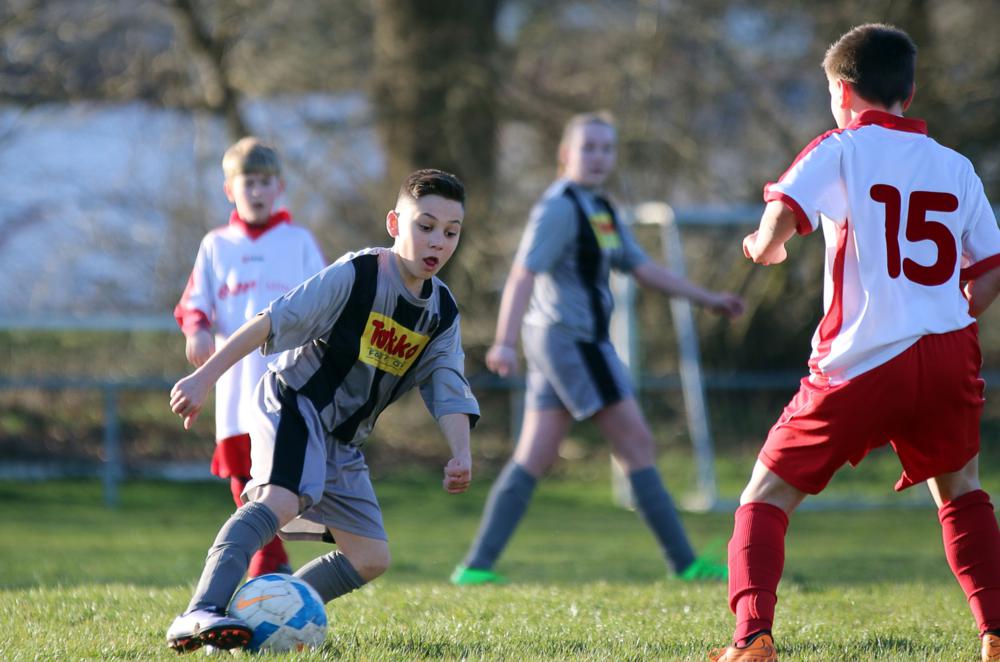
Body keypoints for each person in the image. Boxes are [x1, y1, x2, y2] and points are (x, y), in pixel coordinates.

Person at [709, 24, 1000, 662]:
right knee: (962, 491)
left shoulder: (840, 148)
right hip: (947, 352)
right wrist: (948, 314)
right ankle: (996, 631)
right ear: (909, 91)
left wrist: (764, 246)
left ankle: (752, 637)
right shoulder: (956, 166)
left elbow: (782, 212)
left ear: (841, 92)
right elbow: (990, 267)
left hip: (863, 358)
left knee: (764, 495)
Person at [165, 169, 480, 653]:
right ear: (394, 224)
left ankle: (265, 613)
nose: (438, 241)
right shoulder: (358, 274)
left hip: (343, 439)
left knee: (370, 556)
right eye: (426, 226)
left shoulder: (441, 312)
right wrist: (204, 377)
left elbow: (448, 385)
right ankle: (199, 610)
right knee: (279, 501)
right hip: (295, 402)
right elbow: (270, 320)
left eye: (451, 232)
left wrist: (461, 452)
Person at [450, 111, 745, 587]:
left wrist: (706, 298)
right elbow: (524, 273)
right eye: (588, 147)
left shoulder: (601, 207)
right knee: (637, 443)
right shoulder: (559, 207)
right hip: (572, 343)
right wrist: (504, 342)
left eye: (606, 148)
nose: (598, 157)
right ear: (565, 154)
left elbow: (642, 267)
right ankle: (685, 564)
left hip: (565, 343)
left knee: (535, 455)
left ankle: (475, 568)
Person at [174, 136, 325, 578]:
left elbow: (327, 301)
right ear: (230, 189)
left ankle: (268, 570)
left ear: (280, 187)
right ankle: (270, 571)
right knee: (243, 481)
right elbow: (194, 302)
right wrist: (197, 331)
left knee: (282, 480)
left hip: (289, 386)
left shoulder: (298, 242)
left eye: (264, 182)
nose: (256, 191)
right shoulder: (216, 245)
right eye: (248, 182)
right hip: (236, 390)